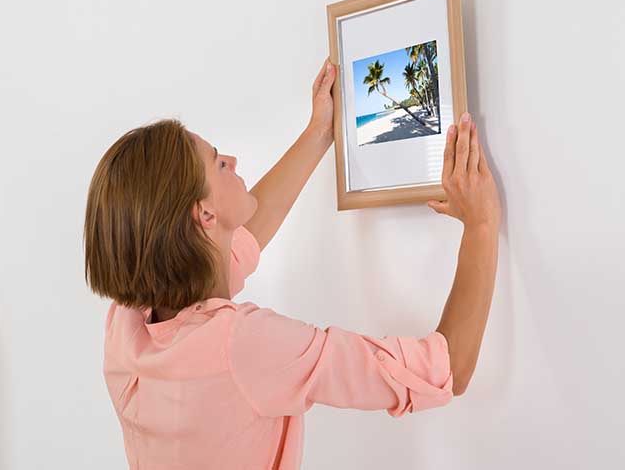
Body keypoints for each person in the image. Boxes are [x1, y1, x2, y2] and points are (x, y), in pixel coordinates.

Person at [83, 58, 501, 469]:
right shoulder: (245, 343)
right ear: (205, 216)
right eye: (219, 163)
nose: (232, 159)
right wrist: (482, 223)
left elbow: (236, 241)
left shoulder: (126, 327)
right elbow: (447, 368)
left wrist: (319, 132)